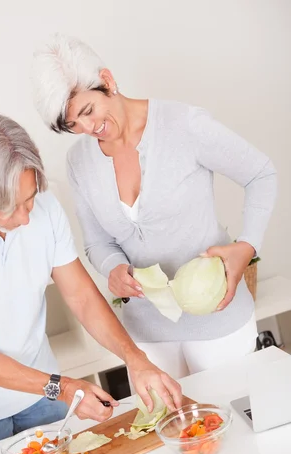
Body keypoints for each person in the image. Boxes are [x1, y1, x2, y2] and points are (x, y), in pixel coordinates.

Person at [0, 114, 182, 445]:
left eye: (29, 198)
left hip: (43, 392)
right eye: (8, 209)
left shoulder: (45, 209)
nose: (24, 218)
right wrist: (63, 387)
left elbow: (80, 296)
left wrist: (135, 359)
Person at [31, 34, 278, 379]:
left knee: (235, 422)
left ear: (107, 81)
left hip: (219, 320)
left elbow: (261, 174)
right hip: (145, 335)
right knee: (166, 430)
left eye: (88, 110)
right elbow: (98, 242)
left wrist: (247, 246)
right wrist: (114, 268)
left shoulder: (183, 125)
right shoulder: (80, 162)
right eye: (73, 124)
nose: (87, 128)